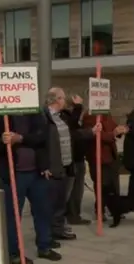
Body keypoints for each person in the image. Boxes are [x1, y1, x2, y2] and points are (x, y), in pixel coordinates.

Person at [0, 108, 63, 264]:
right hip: (13, 175)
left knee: (43, 210)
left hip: (37, 173)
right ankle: (13, 253)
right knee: (13, 215)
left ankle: (44, 245)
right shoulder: (1, 115)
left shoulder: (34, 112)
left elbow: (42, 138)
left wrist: (20, 138)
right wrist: (2, 140)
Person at [44, 88, 97, 244]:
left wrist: (91, 132)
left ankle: (59, 229)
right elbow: (42, 143)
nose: (64, 101)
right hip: (53, 166)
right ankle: (49, 231)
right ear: (54, 100)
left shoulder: (62, 117)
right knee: (52, 202)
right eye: (62, 98)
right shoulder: (44, 117)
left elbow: (73, 133)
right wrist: (44, 165)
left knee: (62, 200)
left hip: (68, 164)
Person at [82, 109, 127, 221]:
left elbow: (114, 127)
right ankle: (100, 211)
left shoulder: (107, 113)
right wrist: (113, 134)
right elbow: (95, 135)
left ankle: (115, 209)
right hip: (98, 156)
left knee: (114, 185)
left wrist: (120, 130)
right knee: (101, 185)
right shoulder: (90, 115)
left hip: (111, 156)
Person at [64, 95, 92, 225]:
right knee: (74, 190)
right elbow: (73, 131)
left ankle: (73, 213)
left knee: (77, 189)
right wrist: (78, 107)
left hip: (79, 158)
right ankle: (73, 215)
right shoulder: (67, 118)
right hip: (73, 159)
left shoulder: (74, 120)